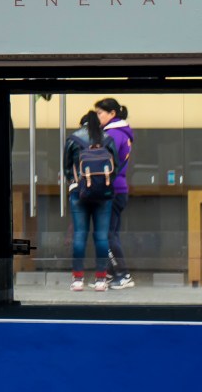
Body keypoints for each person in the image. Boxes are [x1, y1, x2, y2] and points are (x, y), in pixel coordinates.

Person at [65, 111, 113, 292]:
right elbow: (115, 165)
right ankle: (101, 280)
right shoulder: (108, 139)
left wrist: (75, 183)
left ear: (82, 124)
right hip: (103, 195)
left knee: (79, 235)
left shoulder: (73, 139)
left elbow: (67, 167)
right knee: (101, 236)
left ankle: (78, 280)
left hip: (79, 193)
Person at [96, 98, 136, 289]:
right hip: (119, 189)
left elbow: (103, 162)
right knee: (112, 234)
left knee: (107, 234)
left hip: (111, 190)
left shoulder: (112, 134)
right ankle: (113, 273)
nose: (98, 117)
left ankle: (123, 273)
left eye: (100, 113)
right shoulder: (122, 133)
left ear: (112, 114)